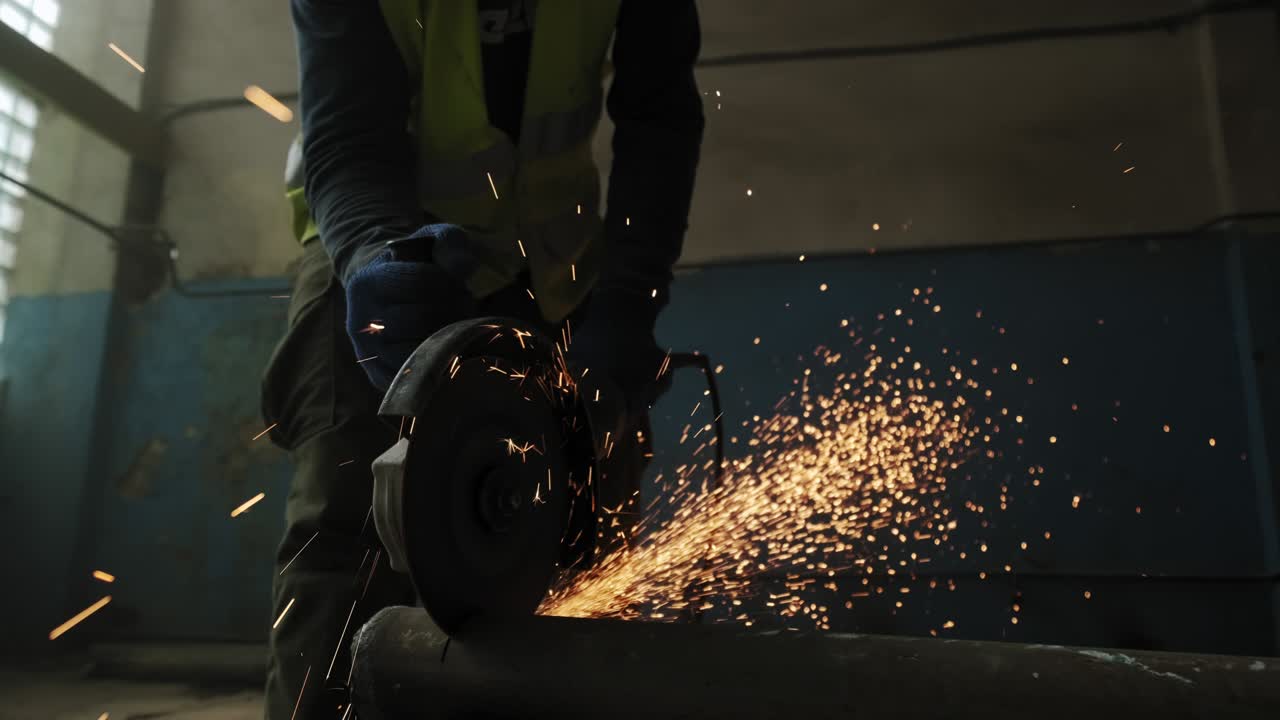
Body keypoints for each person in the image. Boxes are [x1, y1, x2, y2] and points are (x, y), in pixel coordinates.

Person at [260, 1, 704, 717]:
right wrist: (377, 256)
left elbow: (659, 119)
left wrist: (628, 298)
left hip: (555, 261)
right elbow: (346, 135)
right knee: (351, 531)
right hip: (373, 238)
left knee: (584, 526)